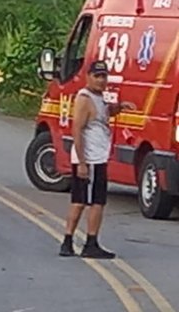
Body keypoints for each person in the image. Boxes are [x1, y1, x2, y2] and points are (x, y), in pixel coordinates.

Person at [59, 60, 134, 259]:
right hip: (90, 159)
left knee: (81, 200)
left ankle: (68, 242)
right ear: (88, 77)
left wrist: (118, 107)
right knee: (93, 202)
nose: (101, 80)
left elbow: (101, 115)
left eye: (103, 76)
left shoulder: (98, 98)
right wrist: (82, 162)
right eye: (97, 76)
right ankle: (89, 243)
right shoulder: (85, 99)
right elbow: (77, 130)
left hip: (96, 158)